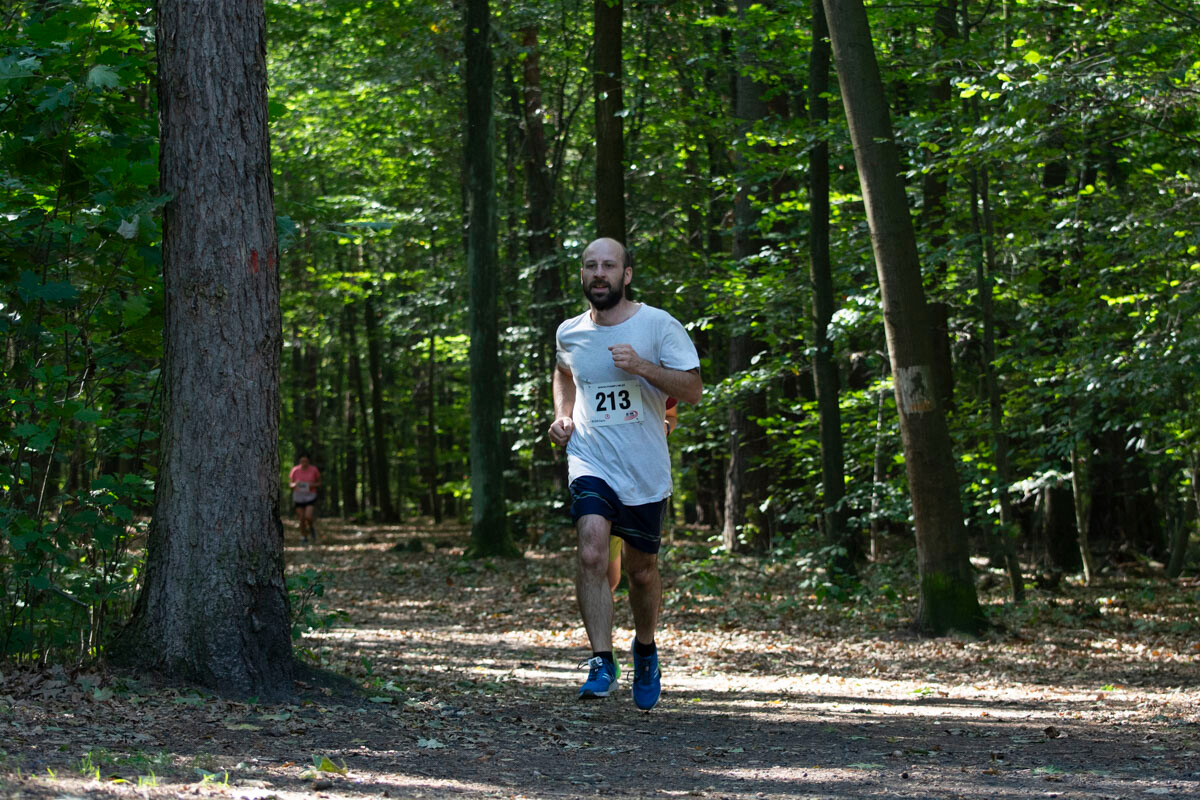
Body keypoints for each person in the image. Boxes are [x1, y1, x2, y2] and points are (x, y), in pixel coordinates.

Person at [548, 237, 702, 710]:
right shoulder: (569, 332)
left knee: (640, 571)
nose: (599, 273)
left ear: (626, 274)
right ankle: (600, 659)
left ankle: (646, 648)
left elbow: (693, 389)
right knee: (593, 551)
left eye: (608, 266)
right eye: (591, 266)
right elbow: (564, 372)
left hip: (643, 467)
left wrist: (642, 367)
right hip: (591, 458)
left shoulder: (658, 325)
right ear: (582, 274)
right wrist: (562, 415)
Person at [607, 397, 677, 593]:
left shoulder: (656, 371)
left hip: (643, 478)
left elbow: (671, 415)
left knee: (640, 572)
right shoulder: (590, 369)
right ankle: (601, 618)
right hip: (601, 472)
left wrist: (666, 426)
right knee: (604, 574)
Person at [289, 453, 322, 544]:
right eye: (302, 461)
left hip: (310, 496)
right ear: (300, 461)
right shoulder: (295, 470)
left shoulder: (313, 470)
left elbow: (319, 483)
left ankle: (311, 528)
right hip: (298, 497)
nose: (304, 463)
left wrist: (312, 485)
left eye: (306, 461)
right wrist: (295, 484)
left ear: (309, 461)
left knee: (308, 516)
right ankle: (304, 536)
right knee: (301, 518)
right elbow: (290, 484)